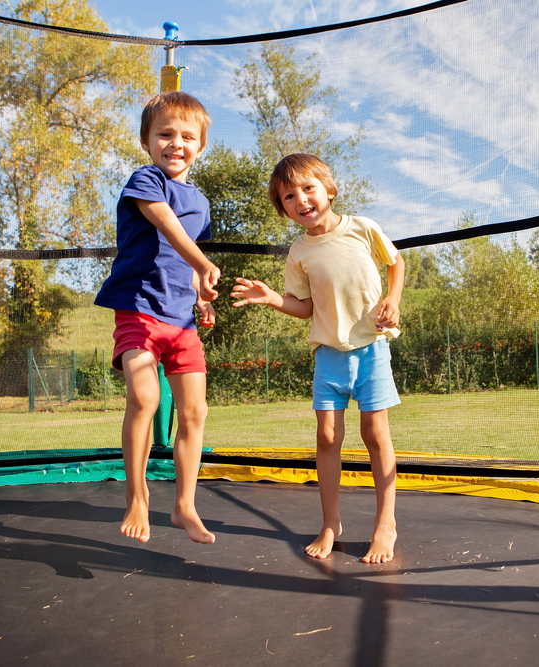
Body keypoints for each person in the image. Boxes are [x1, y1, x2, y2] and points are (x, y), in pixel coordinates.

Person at [230, 153, 405, 563]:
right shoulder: (299, 253)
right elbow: (304, 306)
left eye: (307, 188)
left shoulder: (362, 228)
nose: (301, 199)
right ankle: (331, 522)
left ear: (329, 189)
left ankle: (386, 524)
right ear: (284, 208)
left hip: (371, 347)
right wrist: (273, 298)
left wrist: (392, 300)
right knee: (327, 436)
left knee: (375, 434)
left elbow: (396, 265)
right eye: (289, 196)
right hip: (329, 352)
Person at [94, 91, 219, 545]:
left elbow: (190, 260)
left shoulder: (201, 202)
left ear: (200, 146)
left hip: (181, 321)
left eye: (187, 136)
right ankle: (138, 496)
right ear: (146, 141)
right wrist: (204, 264)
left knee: (195, 411)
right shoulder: (146, 180)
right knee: (144, 399)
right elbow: (165, 223)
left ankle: (185, 503)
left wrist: (201, 296)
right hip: (140, 310)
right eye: (164, 134)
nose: (176, 143)